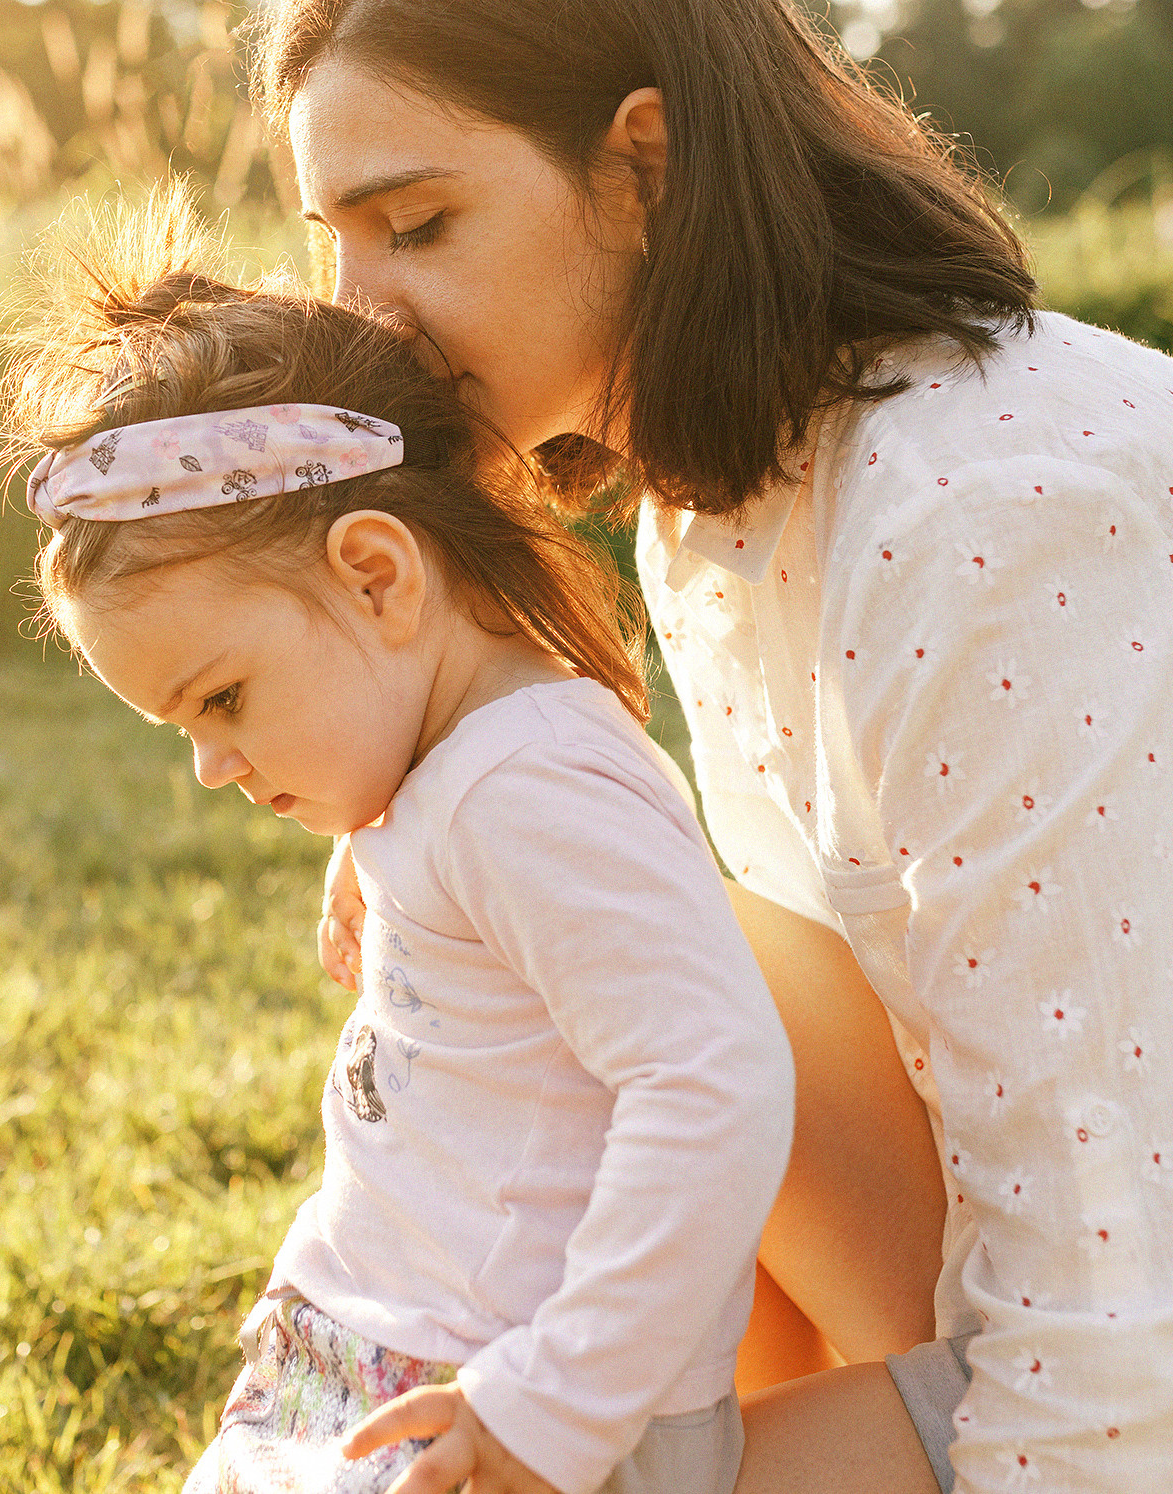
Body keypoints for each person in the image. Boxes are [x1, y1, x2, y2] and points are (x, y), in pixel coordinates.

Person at [245, 1, 1173, 1490]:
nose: (364, 317)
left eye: (414, 224)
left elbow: (1120, 1290)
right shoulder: (714, 508)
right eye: (335, 243)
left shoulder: (980, 516)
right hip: (1000, 1289)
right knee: (627, 943)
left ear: (643, 171)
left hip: (1125, 1347)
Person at [0, 193, 798, 1494]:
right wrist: (375, 827)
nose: (210, 764)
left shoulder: (528, 789)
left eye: (225, 698)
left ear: (378, 577)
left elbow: (716, 1084)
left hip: (512, 1409)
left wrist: (554, 1405)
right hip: (390, 1366)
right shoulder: (459, 770)